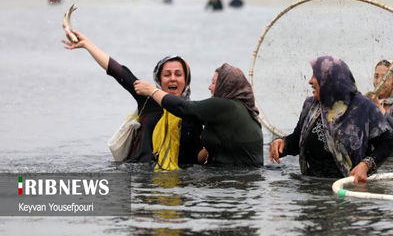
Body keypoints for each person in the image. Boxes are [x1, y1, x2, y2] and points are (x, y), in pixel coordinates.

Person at [62, 29, 203, 166]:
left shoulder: (192, 113)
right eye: (167, 74)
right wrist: (87, 44)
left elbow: (197, 158)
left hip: (177, 183)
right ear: (159, 80)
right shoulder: (148, 99)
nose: (172, 79)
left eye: (178, 74)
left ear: (186, 80)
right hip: (141, 180)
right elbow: (118, 71)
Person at [269, 56, 393, 183]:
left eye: (315, 76)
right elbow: (297, 140)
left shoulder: (363, 107)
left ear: (330, 80)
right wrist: (283, 143)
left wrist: (365, 165)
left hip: (347, 187)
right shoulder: (310, 105)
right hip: (310, 185)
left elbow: (388, 142)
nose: (310, 81)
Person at [134, 63, 263, 167]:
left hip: (234, 182)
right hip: (242, 180)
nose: (209, 87)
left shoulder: (225, 106)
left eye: (213, 82)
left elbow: (185, 108)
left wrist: (152, 91)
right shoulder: (239, 110)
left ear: (225, 85)